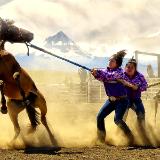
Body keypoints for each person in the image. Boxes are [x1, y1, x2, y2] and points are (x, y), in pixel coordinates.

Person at [91, 50, 133, 144]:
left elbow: (109, 76)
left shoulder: (120, 72)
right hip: (111, 100)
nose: (109, 62)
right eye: (109, 60)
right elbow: (102, 77)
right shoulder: (105, 71)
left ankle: (130, 137)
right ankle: (101, 139)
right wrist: (95, 74)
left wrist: (98, 72)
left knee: (117, 120)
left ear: (117, 63)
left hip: (122, 100)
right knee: (100, 117)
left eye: (112, 61)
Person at [120, 58, 151, 144]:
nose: (129, 69)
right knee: (121, 117)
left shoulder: (140, 76)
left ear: (135, 68)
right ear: (125, 67)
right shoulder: (121, 75)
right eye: (128, 67)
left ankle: (141, 132)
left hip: (136, 99)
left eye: (131, 67)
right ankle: (122, 133)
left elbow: (145, 86)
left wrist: (138, 87)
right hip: (124, 99)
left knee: (141, 114)